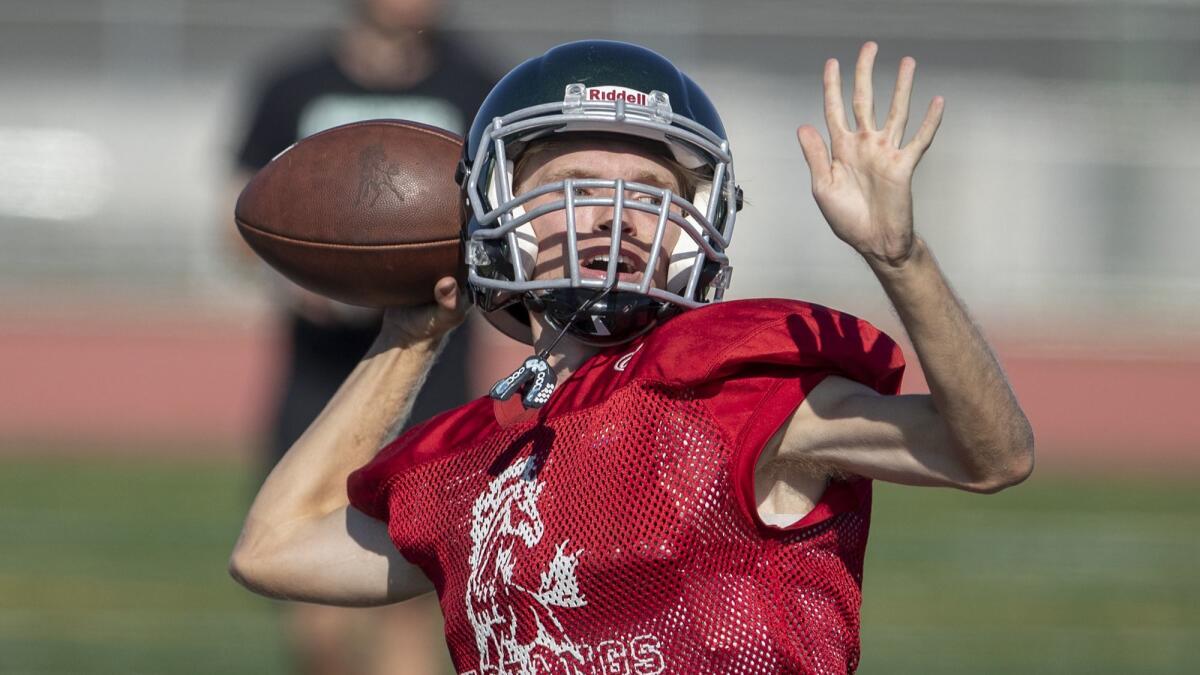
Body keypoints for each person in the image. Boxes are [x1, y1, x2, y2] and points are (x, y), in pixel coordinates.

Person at [229, 39, 1034, 674]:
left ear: (697, 225)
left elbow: (989, 454)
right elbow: (272, 549)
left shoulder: (744, 395)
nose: (616, 221)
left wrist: (902, 261)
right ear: (499, 213)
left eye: (650, 194)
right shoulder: (474, 457)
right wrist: (410, 337)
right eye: (577, 186)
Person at [227, 0, 493, 672]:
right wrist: (300, 279)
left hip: (435, 367)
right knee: (309, 603)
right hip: (321, 371)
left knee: (409, 590)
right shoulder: (293, 84)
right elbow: (238, 225)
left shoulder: (480, 86)